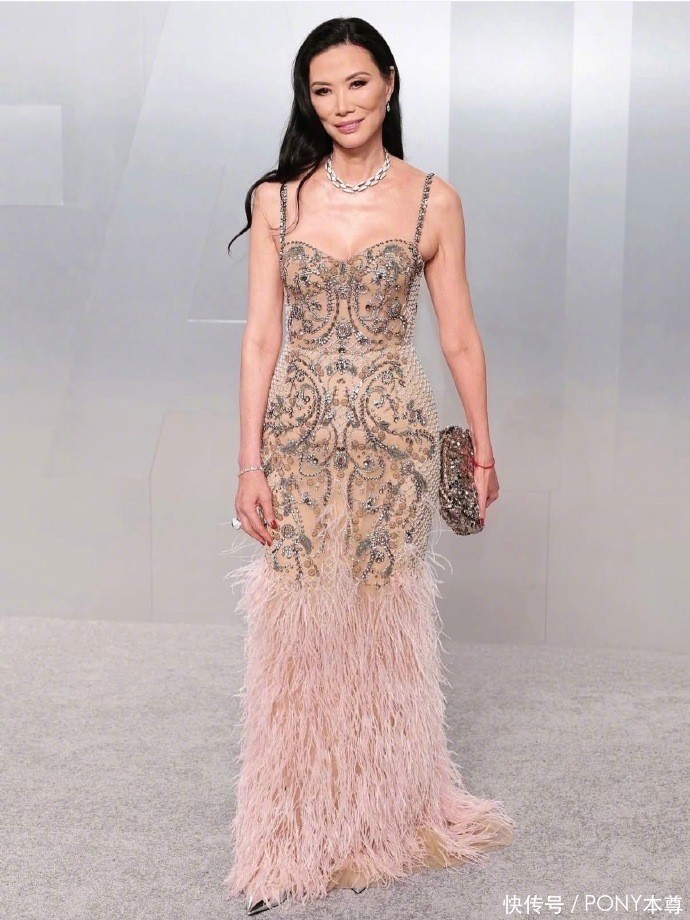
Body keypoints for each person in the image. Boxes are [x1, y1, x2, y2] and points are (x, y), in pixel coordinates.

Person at [222, 16, 516, 915]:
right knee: (298, 630)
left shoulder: (433, 202)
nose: (341, 104)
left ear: (388, 82)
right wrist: (247, 462)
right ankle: (290, 828)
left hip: (395, 438)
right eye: (322, 90)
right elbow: (260, 338)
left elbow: (459, 336)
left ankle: (382, 815)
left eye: (356, 82)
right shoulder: (277, 201)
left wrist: (482, 444)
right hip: (300, 437)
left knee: (382, 622)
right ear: (307, 101)